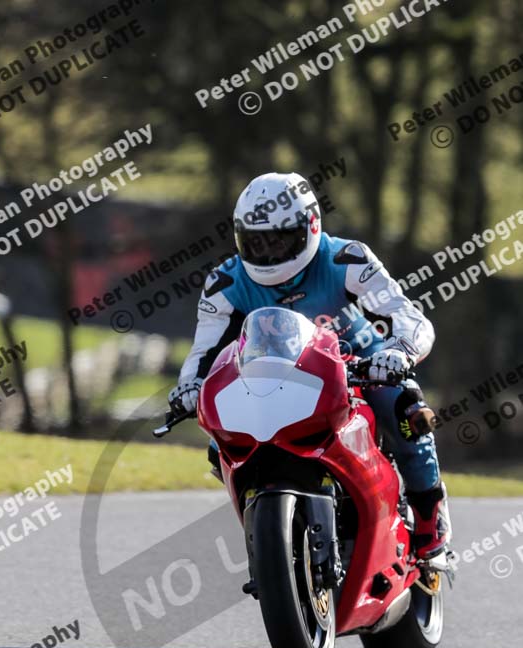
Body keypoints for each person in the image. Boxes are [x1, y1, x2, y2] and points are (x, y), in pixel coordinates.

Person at [169, 172, 451, 560]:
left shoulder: (347, 259)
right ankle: (264, 527)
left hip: (357, 370)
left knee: (406, 408)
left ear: (310, 227)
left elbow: (408, 317)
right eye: (255, 242)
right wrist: (189, 387)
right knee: (219, 443)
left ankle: (428, 516)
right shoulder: (224, 283)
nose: (268, 254)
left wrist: (399, 352)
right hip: (270, 381)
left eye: (279, 241)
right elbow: (203, 353)